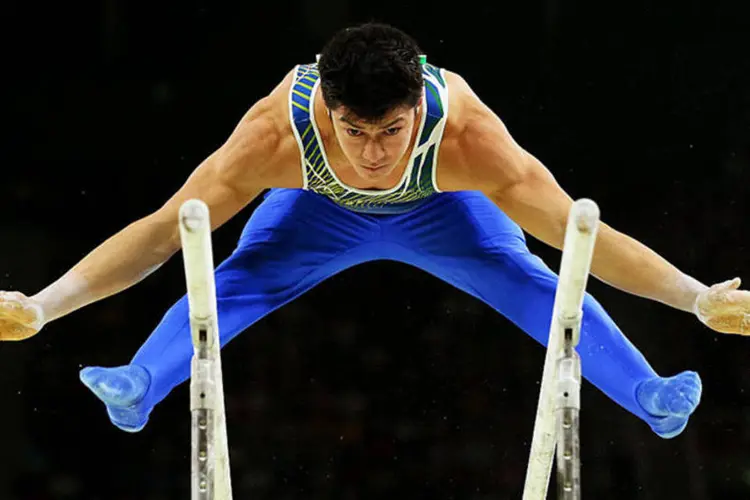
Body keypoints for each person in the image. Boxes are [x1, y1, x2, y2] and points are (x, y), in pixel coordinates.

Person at [1, 23, 748, 440]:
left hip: (444, 212)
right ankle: (138, 385)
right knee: (228, 277)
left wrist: (696, 299)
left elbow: (585, 237)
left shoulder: (469, 139)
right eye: (354, 130)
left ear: (419, 110)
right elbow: (168, 232)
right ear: (326, 107)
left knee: (536, 282)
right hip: (313, 215)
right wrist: (43, 305)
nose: (373, 153)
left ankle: (650, 393)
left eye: (391, 129)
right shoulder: (274, 134)